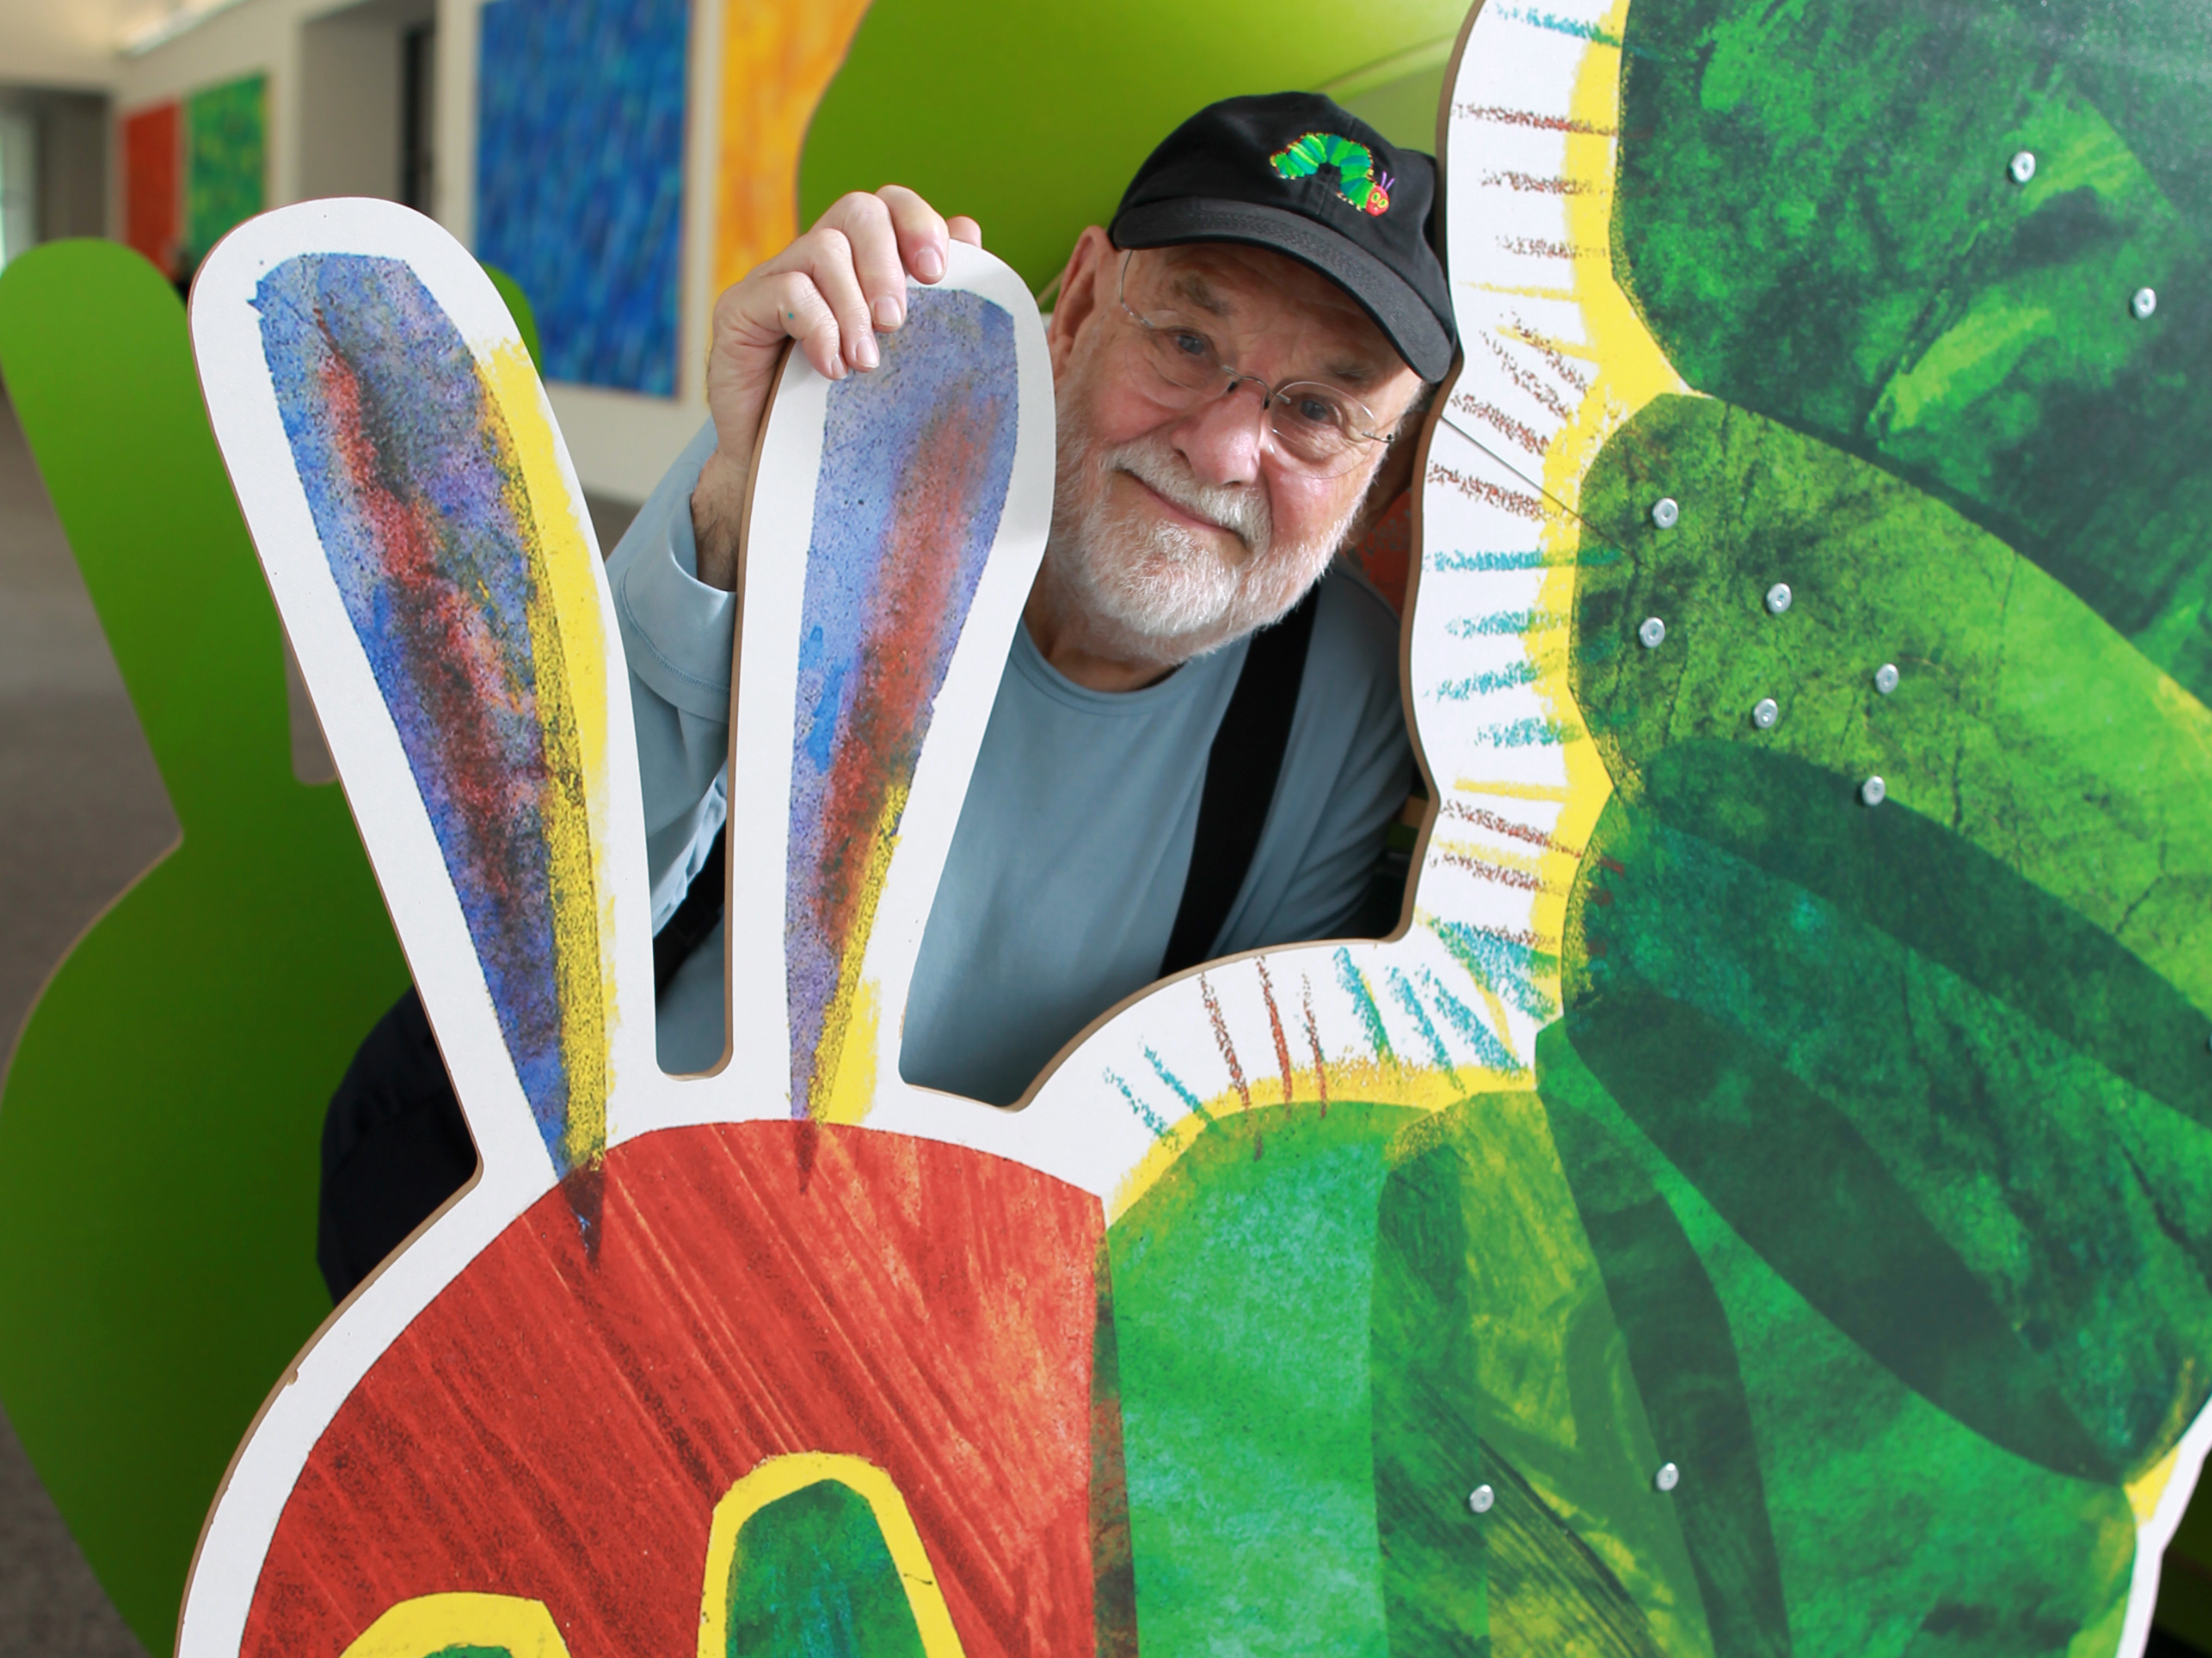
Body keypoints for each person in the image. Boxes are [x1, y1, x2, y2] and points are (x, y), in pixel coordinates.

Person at [318, 91, 1454, 1298]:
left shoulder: (1344, 701)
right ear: (1075, 306)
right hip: (587, 1235)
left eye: (1320, 411)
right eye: (1185, 341)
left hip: (934, 1328)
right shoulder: (836, 468)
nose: (1224, 447)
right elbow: (525, 930)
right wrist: (740, 506)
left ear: (1383, 479)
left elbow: (1207, 1165)